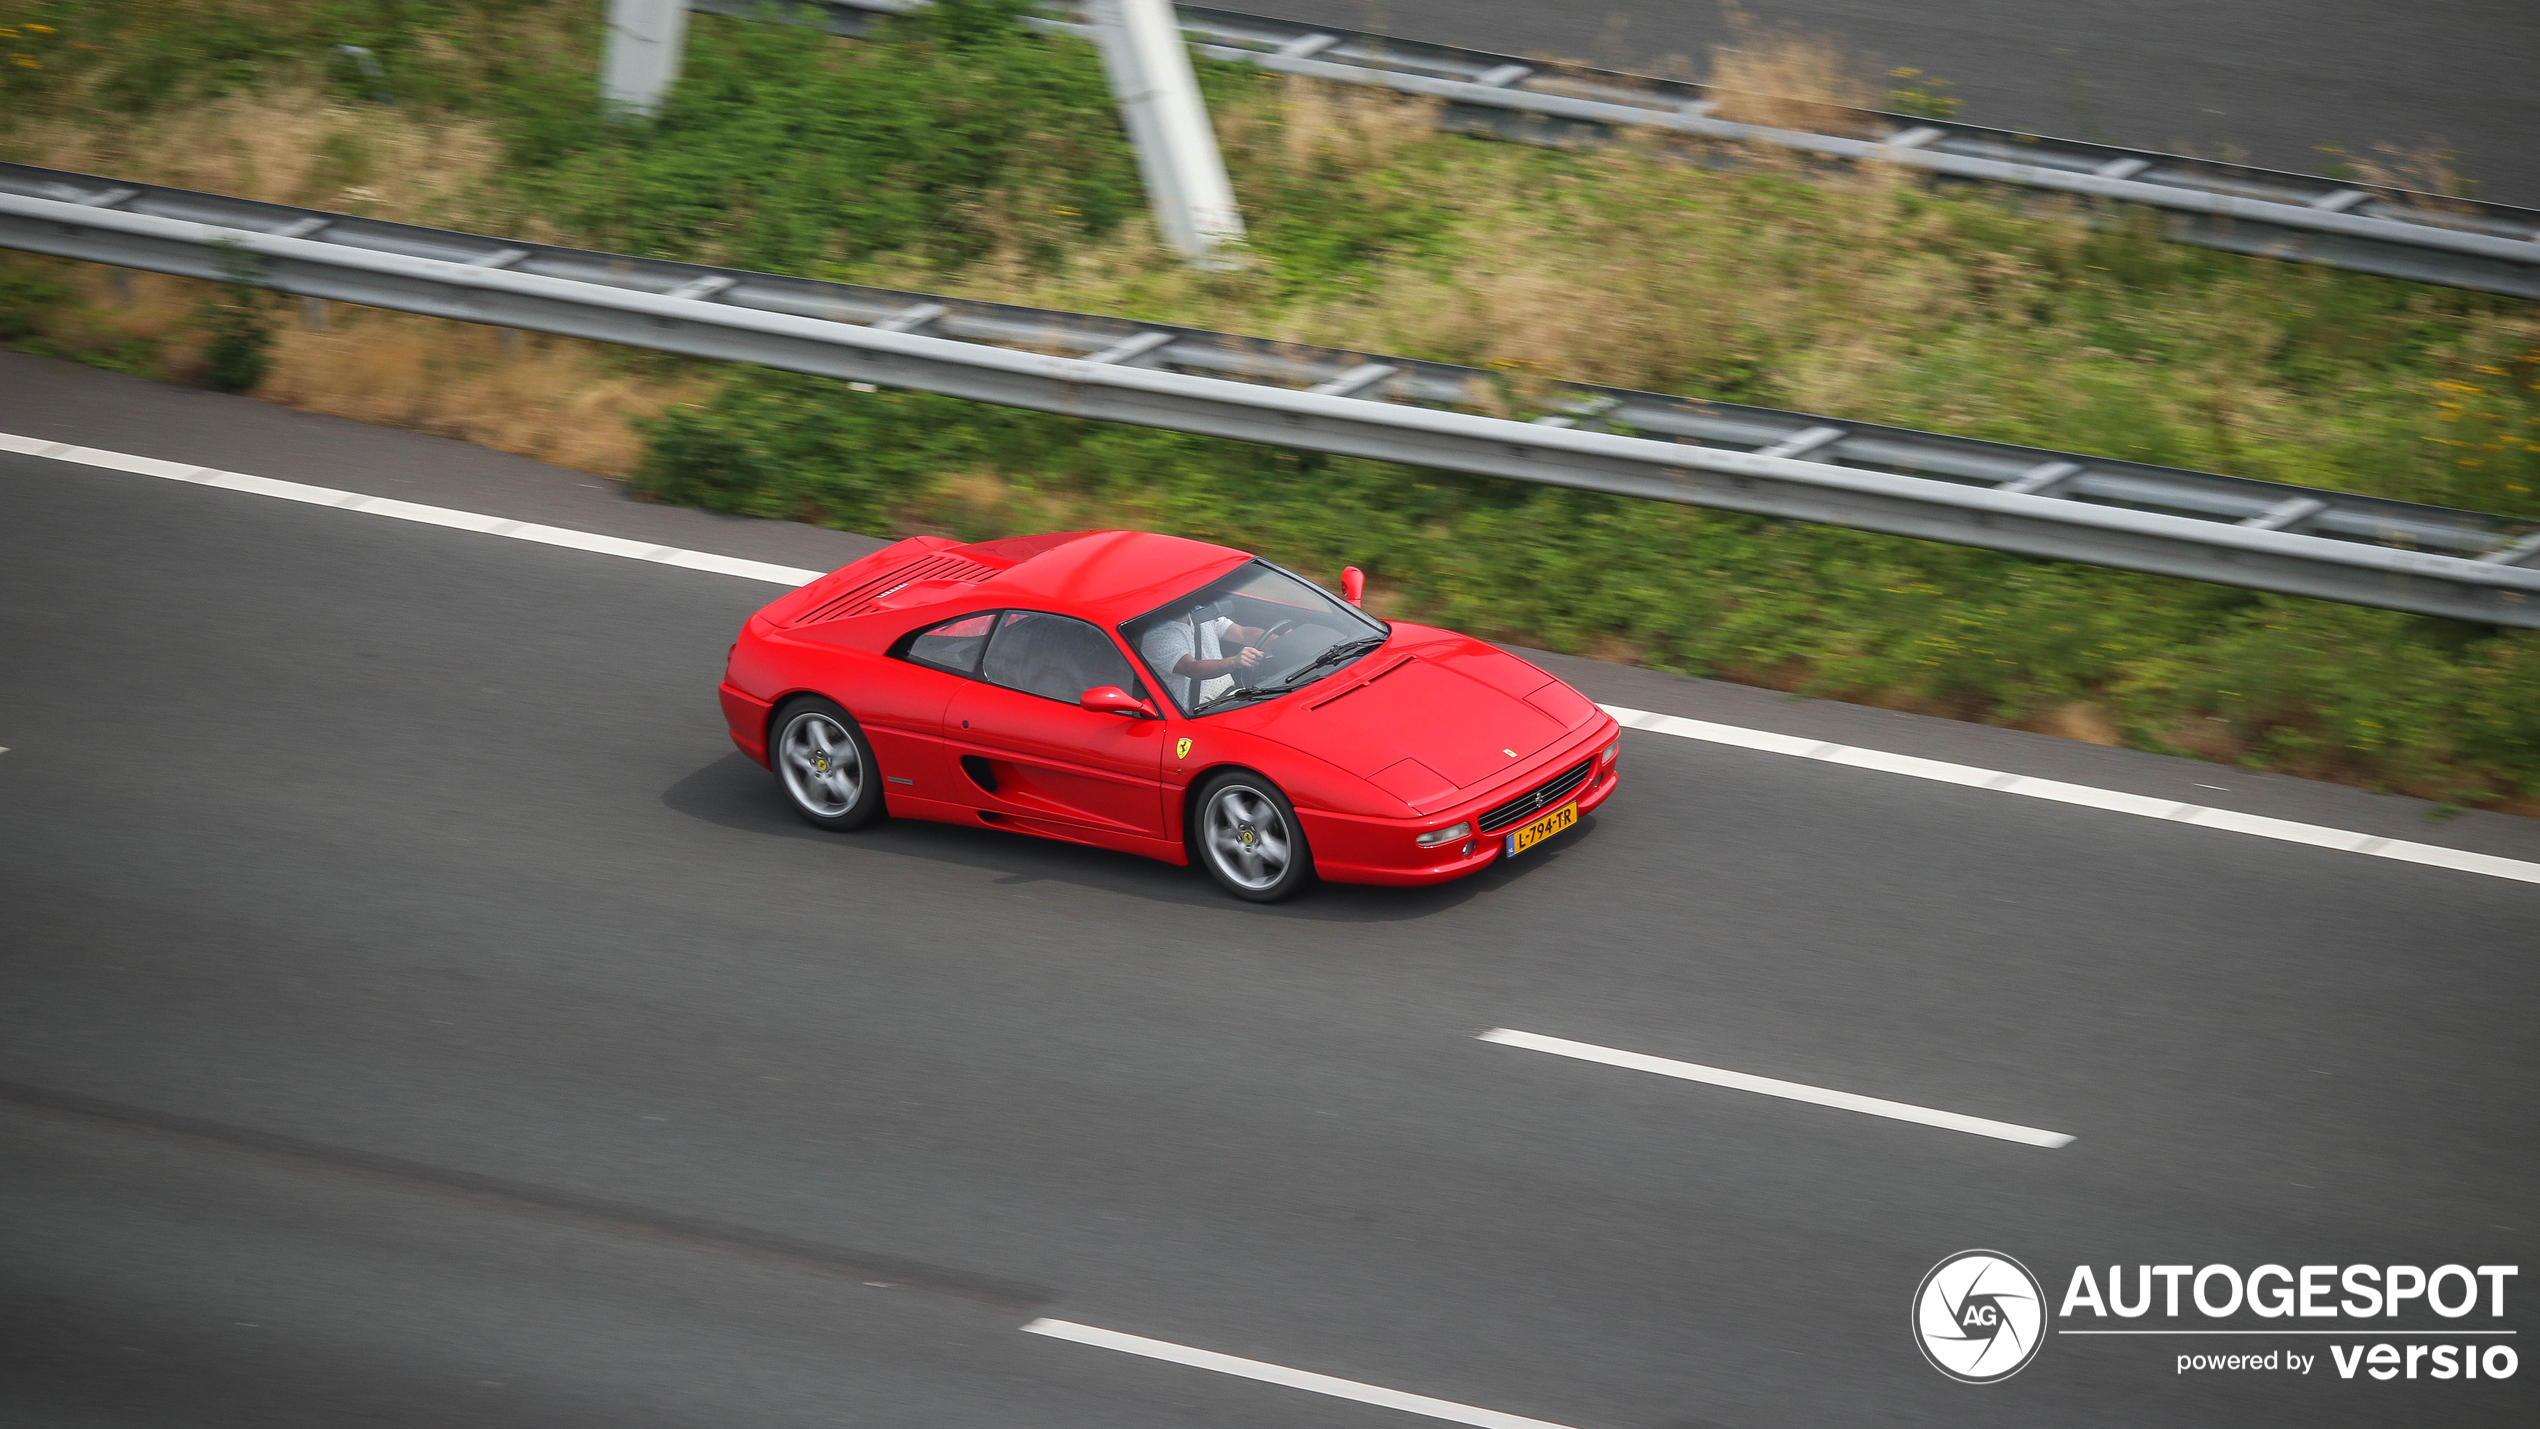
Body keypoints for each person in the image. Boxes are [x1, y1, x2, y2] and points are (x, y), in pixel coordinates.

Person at [1140, 604, 1274, 711]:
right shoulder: (1156, 636)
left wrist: (1281, 641)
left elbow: (1242, 633)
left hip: (1232, 697)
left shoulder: (1201, 613)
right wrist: (1234, 662)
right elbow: (1191, 668)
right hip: (1201, 711)